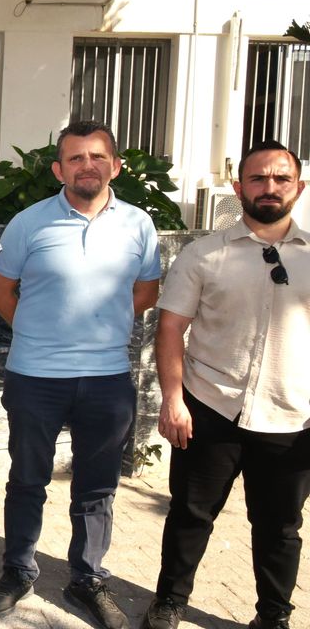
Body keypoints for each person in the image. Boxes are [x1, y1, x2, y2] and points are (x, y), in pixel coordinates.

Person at [0, 122, 161, 629]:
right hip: (35, 375)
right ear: (59, 170)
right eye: (76, 158)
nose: (87, 166)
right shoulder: (28, 223)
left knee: (97, 487)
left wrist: (101, 325)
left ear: (115, 166)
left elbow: (147, 290)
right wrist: (36, 330)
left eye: (98, 156)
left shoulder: (139, 225)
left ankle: (87, 578)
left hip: (107, 377)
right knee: (27, 479)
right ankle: (18, 570)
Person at [139, 141, 310, 629]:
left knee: (280, 526)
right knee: (190, 515)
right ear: (238, 188)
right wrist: (173, 400)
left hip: (292, 415)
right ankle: (170, 601)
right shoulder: (204, 254)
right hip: (211, 408)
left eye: (281, 178)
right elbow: (170, 328)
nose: (270, 187)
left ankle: (273, 616)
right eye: (258, 178)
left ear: (298, 187)